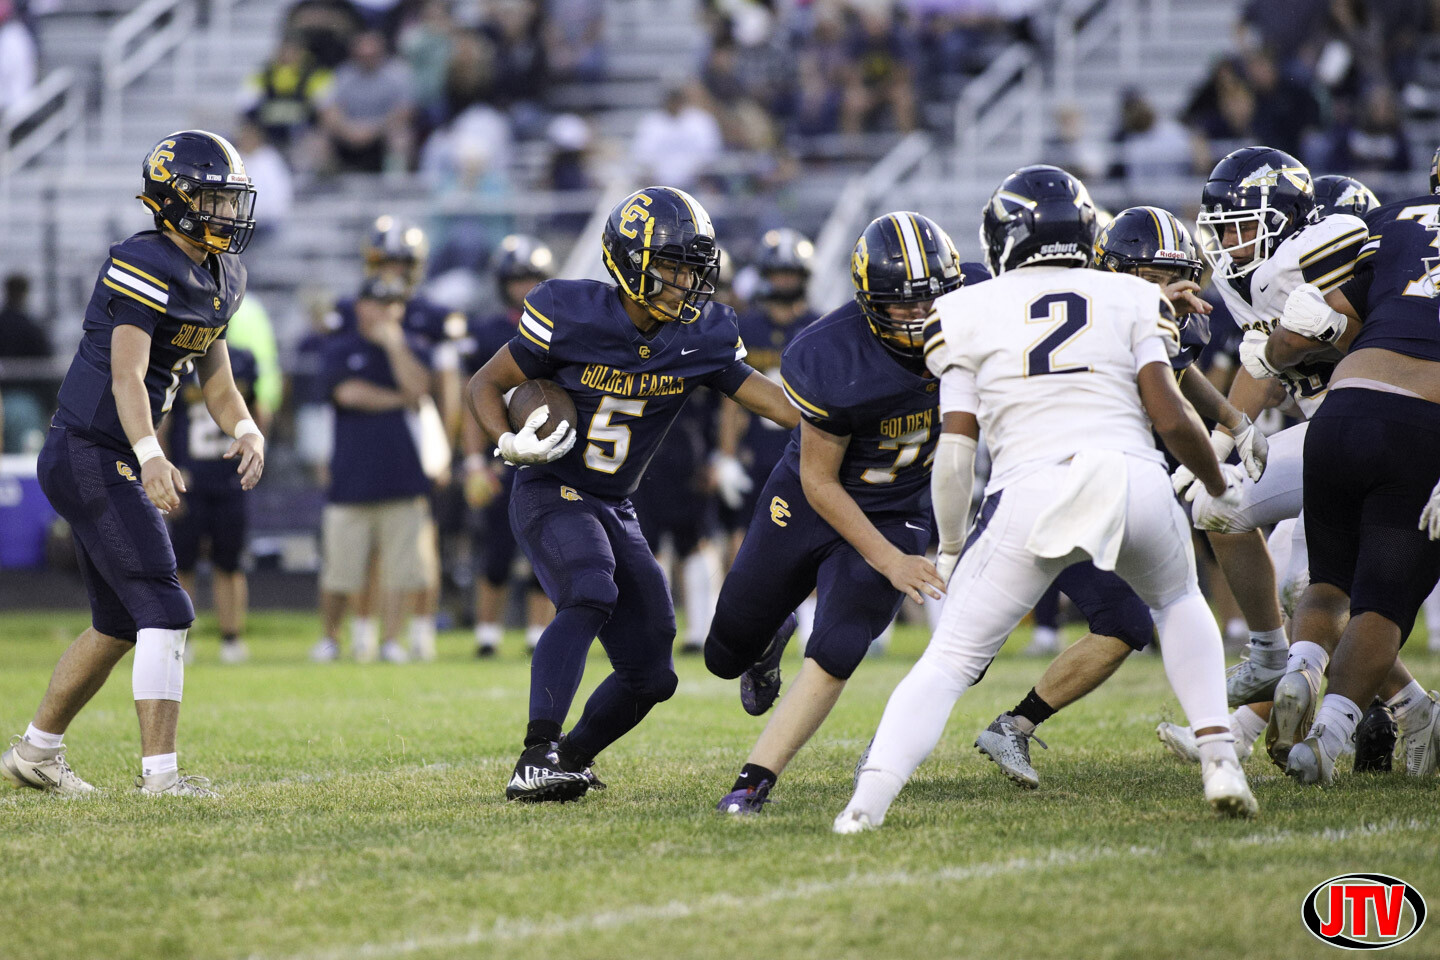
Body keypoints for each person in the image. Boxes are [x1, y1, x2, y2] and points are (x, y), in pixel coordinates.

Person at [835, 165, 1254, 832]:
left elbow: (957, 451)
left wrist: (950, 545)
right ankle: (1220, 758)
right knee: (1178, 601)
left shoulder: (964, 311)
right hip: (1131, 475)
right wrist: (1218, 482)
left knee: (948, 662)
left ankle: (866, 806)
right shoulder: (1132, 297)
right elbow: (1173, 417)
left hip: (1029, 489)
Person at [466, 186, 800, 801]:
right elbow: (484, 384)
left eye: (692, 269)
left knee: (652, 674)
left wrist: (842, 422)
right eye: (672, 267)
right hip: (552, 486)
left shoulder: (701, 335)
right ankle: (536, 755)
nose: (686, 282)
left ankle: (570, 759)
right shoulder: (571, 313)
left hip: (616, 504)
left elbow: (778, 406)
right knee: (589, 587)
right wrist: (507, 442)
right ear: (627, 262)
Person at [0, 130, 262, 798]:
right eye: (212, 199)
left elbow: (217, 379)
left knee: (120, 622)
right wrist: (150, 454)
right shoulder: (143, 260)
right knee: (165, 605)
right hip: (89, 447)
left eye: (229, 199)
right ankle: (161, 778)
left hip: (108, 450)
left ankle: (36, 753)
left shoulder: (222, 273)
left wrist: (246, 428)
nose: (226, 212)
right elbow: (127, 375)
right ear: (173, 199)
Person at [973, 205, 1269, 790]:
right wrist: (1216, 471)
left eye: (1174, 277)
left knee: (1126, 622)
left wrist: (1235, 419)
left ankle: (1014, 726)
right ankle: (889, 750)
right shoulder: (1100, 316)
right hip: (1036, 487)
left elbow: (1179, 372)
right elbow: (1171, 410)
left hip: (1095, 493)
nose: (1167, 290)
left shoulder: (1144, 317)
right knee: (968, 643)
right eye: (1151, 278)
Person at [705, 211, 964, 815]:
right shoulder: (829, 354)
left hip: (896, 506)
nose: (919, 314)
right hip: (808, 499)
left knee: (840, 643)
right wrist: (891, 562)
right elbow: (820, 482)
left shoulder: (974, 305)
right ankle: (766, 641)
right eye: (902, 303)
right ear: (870, 300)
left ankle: (752, 781)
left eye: (929, 298)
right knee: (723, 653)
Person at [1179, 148, 1421, 766]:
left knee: (1320, 589)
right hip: (1328, 431)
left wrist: (1327, 332)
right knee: (1244, 532)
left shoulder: (1332, 246)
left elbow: (1384, 339)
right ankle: (1402, 706)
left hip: (1377, 423)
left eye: (1239, 225)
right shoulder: (1257, 276)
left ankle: (1276, 709)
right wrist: (1222, 440)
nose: (1227, 242)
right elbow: (1262, 363)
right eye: (1222, 228)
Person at [1249, 173, 1440, 784]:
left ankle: (1300, 668)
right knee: (1383, 603)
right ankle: (1326, 740)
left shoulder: (1397, 218)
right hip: (1423, 426)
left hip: (1342, 411)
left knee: (1329, 582)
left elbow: (1301, 330)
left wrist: (1268, 357)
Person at [313, 275, 434, 664]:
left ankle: (391, 640)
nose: (385, 311)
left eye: (393, 303)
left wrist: (395, 347)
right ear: (361, 306)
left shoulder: (413, 347)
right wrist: (399, 399)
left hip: (402, 474)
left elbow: (419, 390)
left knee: (401, 571)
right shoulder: (340, 347)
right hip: (351, 475)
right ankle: (331, 638)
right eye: (378, 303)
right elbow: (348, 394)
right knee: (341, 571)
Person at [463, 234, 556, 657]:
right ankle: (487, 634)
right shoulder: (487, 332)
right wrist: (473, 460)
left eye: (531, 278)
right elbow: (471, 399)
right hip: (500, 448)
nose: (523, 287)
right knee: (497, 547)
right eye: (516, 279)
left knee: (548, 546)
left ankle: (539, 633)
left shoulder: (562, 330)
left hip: (549, 448)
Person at [714, 229, 819, 566]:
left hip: (805, 453)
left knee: (808, 548)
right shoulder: (745, 327)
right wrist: (727, 455)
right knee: (743, 542)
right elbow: (731, 401)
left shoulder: (819, 326)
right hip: (755, 454)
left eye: (791, 273)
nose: (784, 281)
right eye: (778, 273)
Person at [165, 345, 261, 665]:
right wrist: (168, 470)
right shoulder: (179, 359)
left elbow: (255, 413)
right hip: (190, 479)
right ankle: (181, 640)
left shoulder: (242, 360)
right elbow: (164, 422)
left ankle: (231, 637)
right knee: (183, 564)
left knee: (230, 563)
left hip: (229, 479)